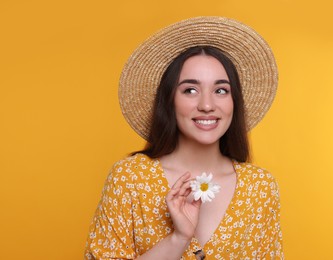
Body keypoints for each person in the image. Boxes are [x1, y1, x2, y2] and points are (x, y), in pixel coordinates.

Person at [85, 16, 283, 259]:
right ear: (169, 99)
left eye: (221, 90)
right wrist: (178, 239)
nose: (207, 105)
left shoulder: (260, 187)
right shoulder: (130, 178)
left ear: (234, 101)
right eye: (190, 90)